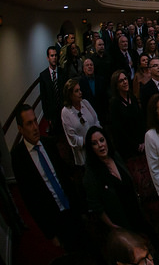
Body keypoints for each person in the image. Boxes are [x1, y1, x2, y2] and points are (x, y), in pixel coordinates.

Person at [11, 104, 87, 251]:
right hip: (55, 217)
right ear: (20, 129)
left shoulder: (49, 143)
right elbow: (30, 200)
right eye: (29, 123)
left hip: (72, 207)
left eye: (35, 121)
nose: (35, 127)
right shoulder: (19, 158)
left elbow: (65, 174)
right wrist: (50, 233)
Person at [83, 127, 148, 233]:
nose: (100, 145)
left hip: (137, 212)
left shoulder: (115, 156)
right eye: (94, 143)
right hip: (121, 222)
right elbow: (96, 206)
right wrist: (112, 226)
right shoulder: (91, 174)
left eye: (102, 140)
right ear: (91, 148)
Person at [61, 78, 101, 166]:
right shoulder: (65, 112)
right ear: (70, 95)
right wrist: (89, 141)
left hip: (97, 147)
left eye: (80, 90)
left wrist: (98, 136)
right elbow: (72, 139)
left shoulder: (85, 103)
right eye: (76, 91)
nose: (80, 92)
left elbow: (96, 120)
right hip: (84, 155)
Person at [40, 46, 66, 134]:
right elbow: (43, 98)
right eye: (52, 56)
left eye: (55, 55)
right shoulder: (43, 76)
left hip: (64, 110)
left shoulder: (63, 72)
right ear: (48, 58)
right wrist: (48, 117)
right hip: (52, 113)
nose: (54, 58)